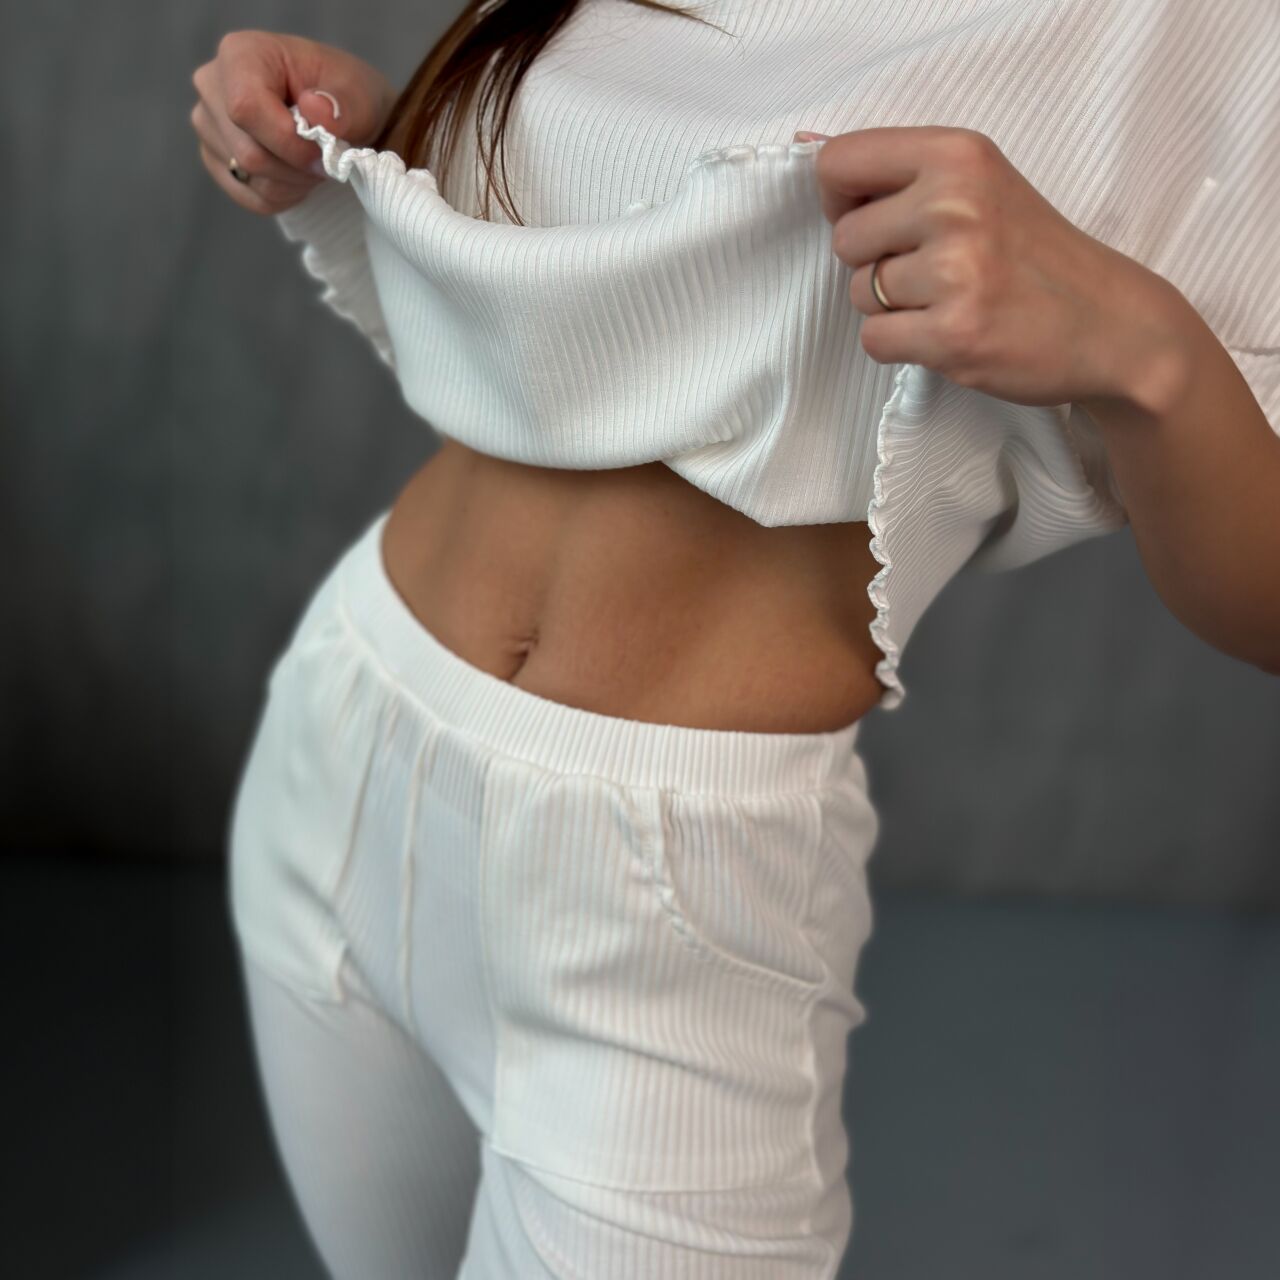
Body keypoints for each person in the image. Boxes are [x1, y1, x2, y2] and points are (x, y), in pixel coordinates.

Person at [190, 2, 1279, 1275]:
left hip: (662, 901)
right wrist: (361, 133)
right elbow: (598, 299)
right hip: (344, 739)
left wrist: (1149, 350)